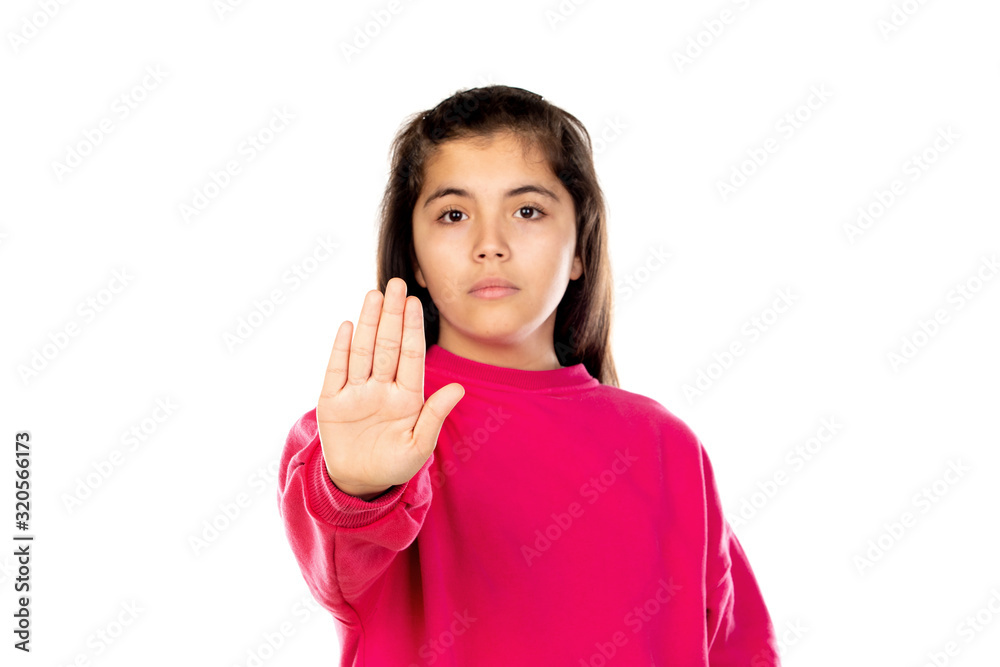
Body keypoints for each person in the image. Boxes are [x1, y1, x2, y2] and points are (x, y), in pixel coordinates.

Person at [276, 85, 781, 666]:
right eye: (454, 214)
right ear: (414, 255)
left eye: (527, 211)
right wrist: (358, 492)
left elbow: (741, 650)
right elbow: (337, 557)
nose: (490, 245)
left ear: (579, 249)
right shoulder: (370, 430)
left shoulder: (667, 445)